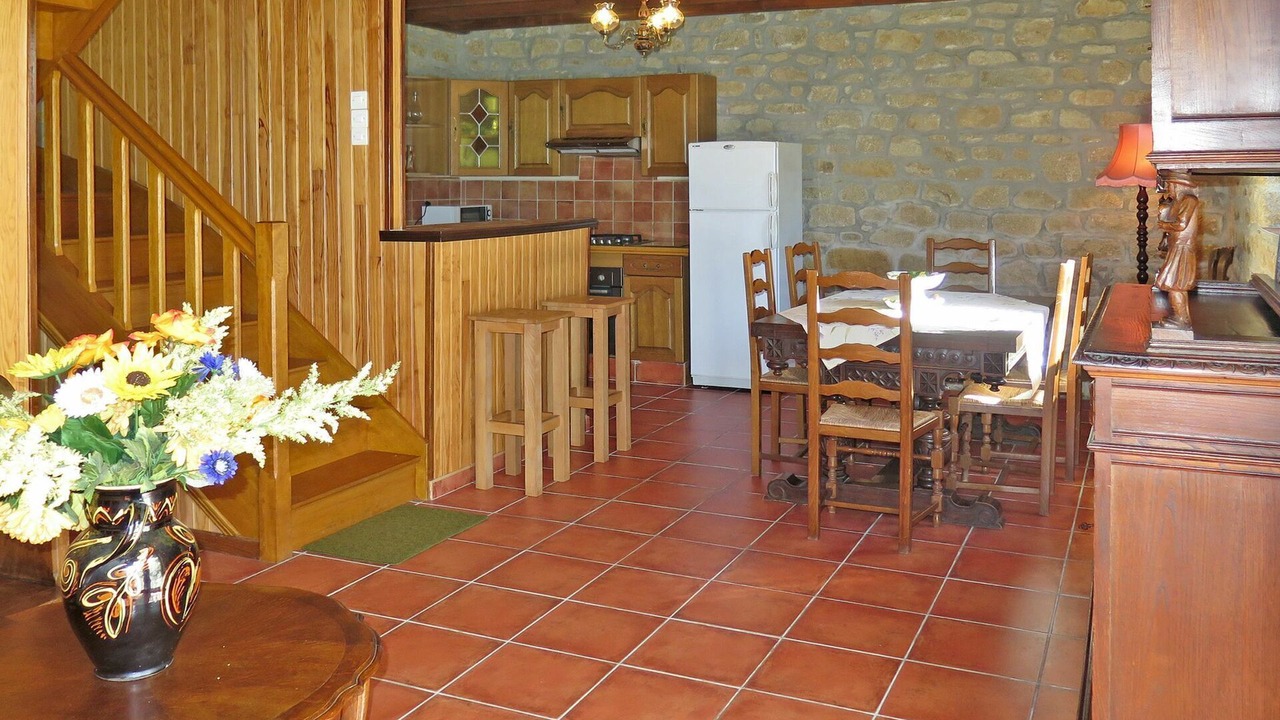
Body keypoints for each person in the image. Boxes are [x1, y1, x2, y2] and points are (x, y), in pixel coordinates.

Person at [1153, 171, 1202, 329]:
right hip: (1177, 247)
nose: (1169, 189)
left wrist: (1164, 225)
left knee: (1175, 284)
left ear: (1177, 185)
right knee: (1173, 284)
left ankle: (1181, 320)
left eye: (1170, 185)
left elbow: (1181, 224)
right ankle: (1179, 317)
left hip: (1183, 248)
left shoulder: (1189, 200)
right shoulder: (1179, 202)